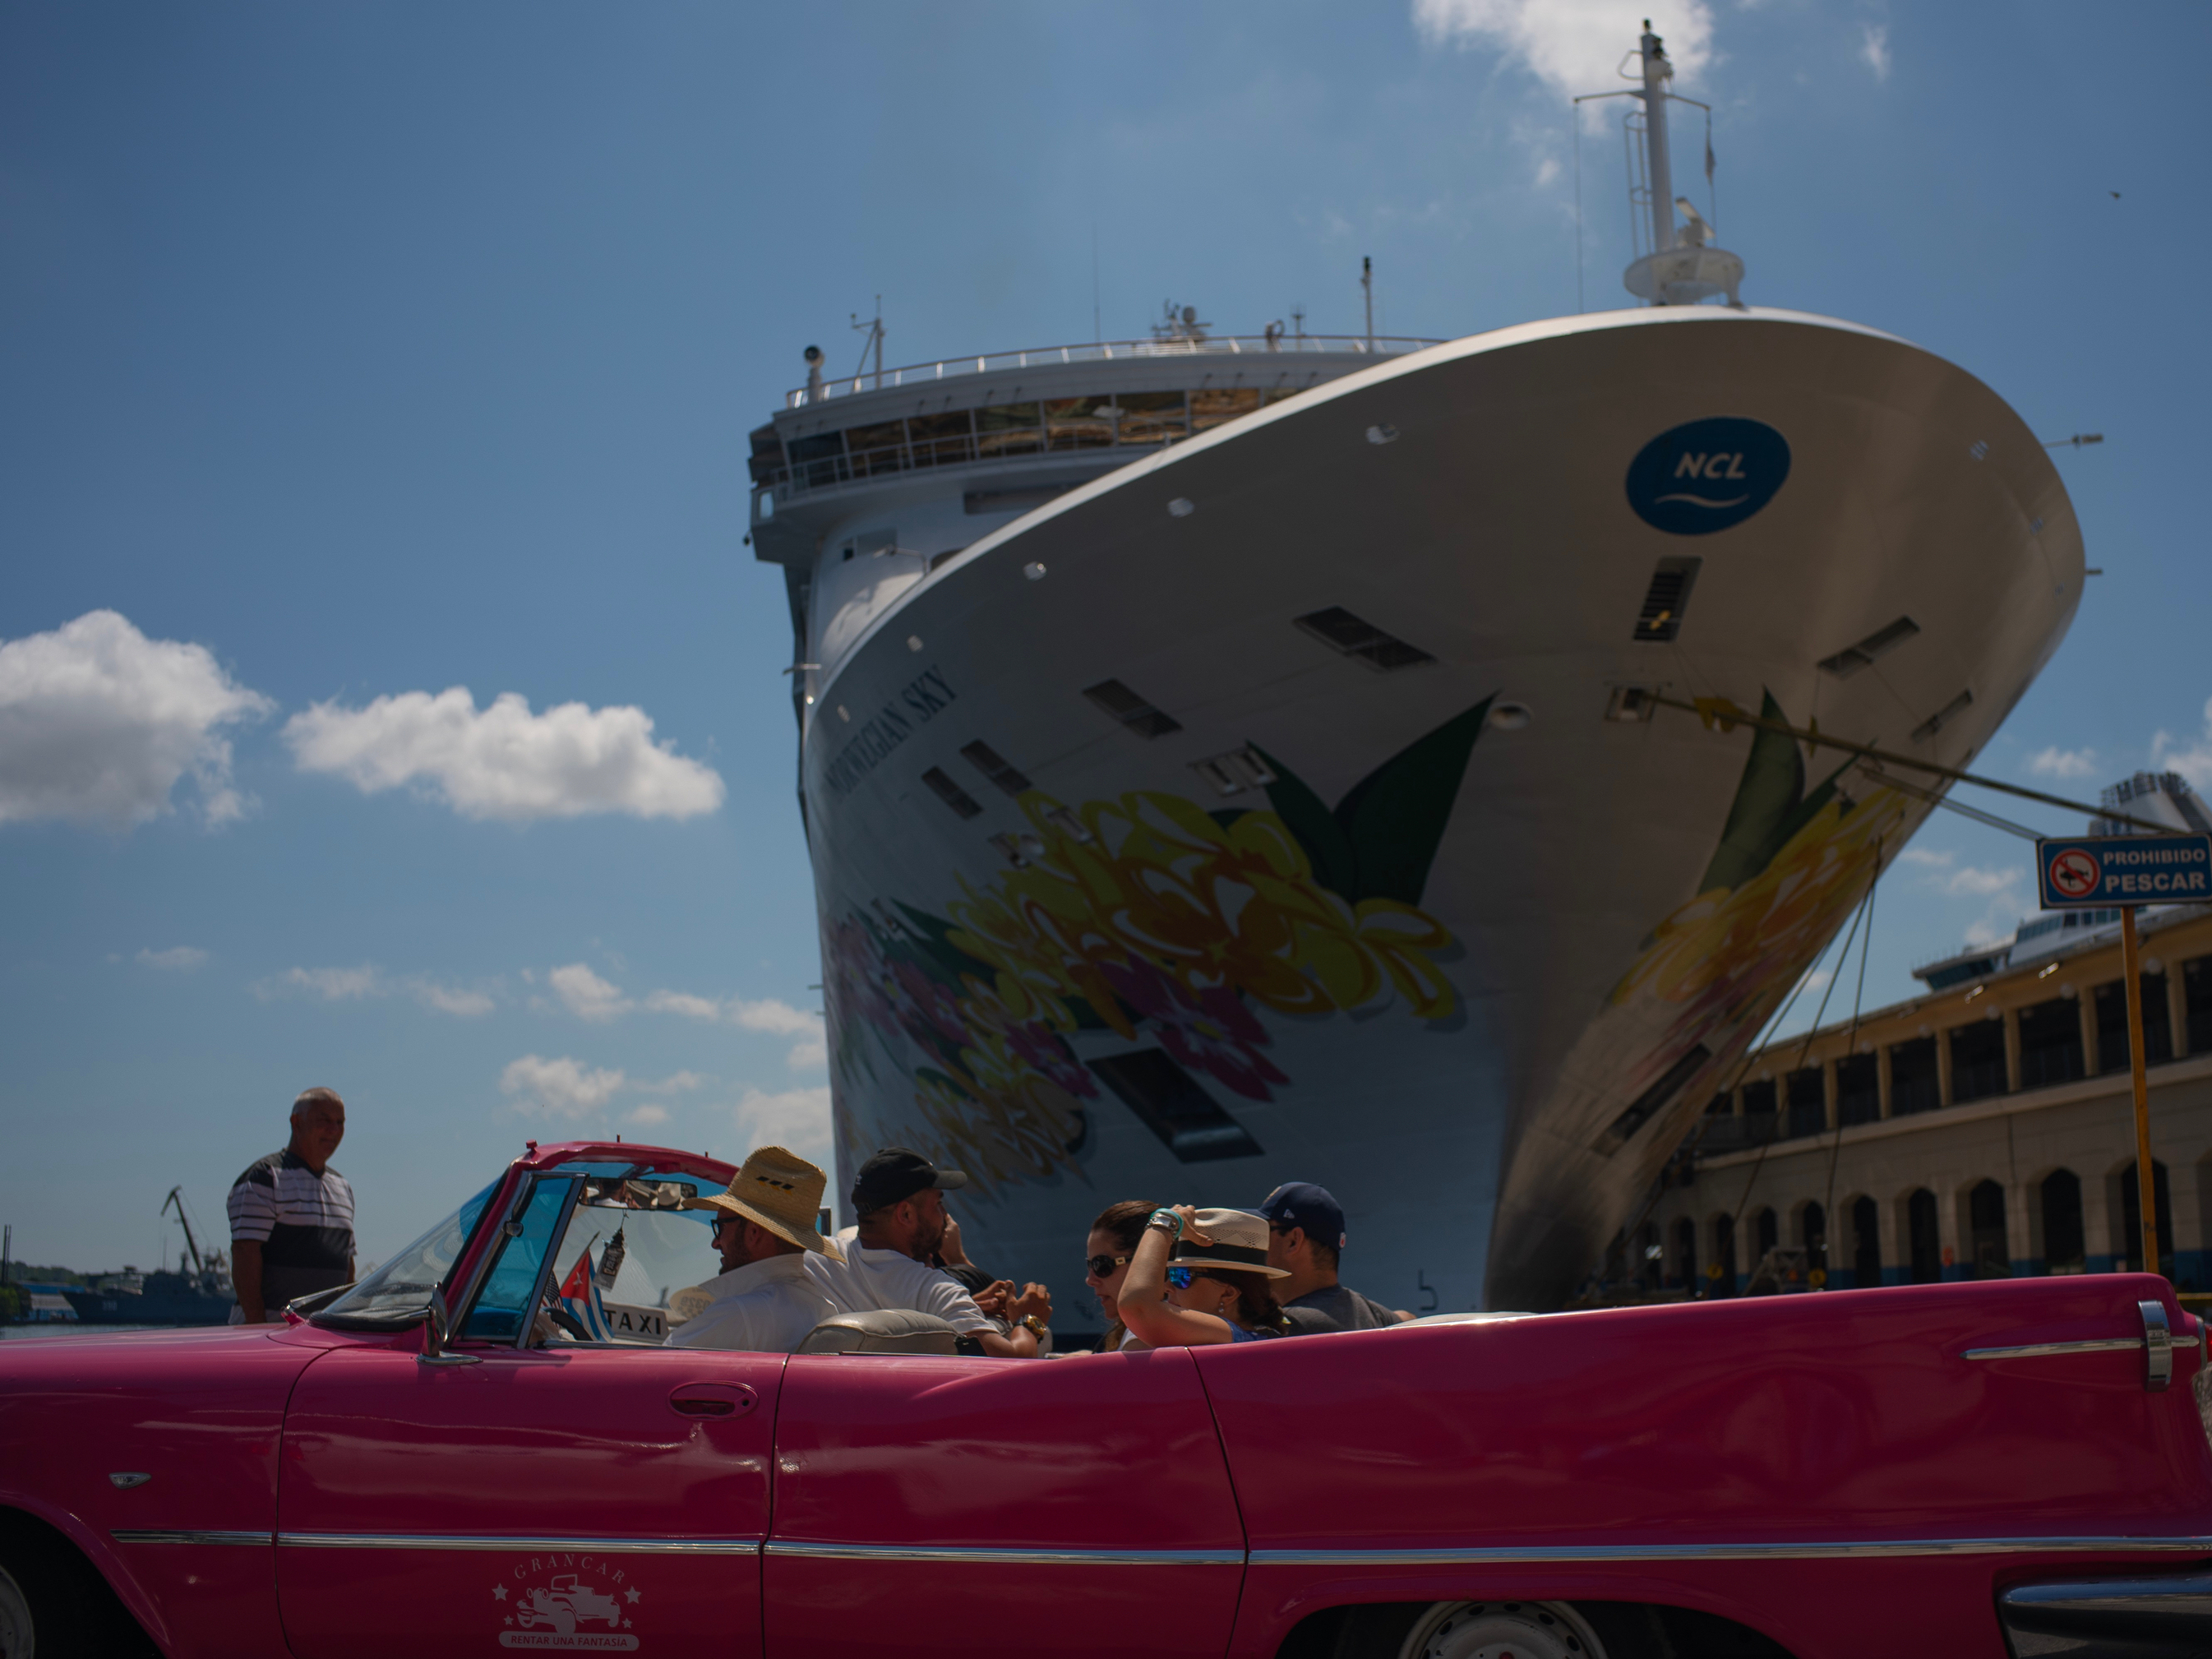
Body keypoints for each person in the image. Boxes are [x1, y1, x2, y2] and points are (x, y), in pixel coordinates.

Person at [808, 1147, 1051, 1358]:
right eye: (937, 1204)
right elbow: (1011, 1361)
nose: (945, 1215)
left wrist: (963, 1309)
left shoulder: (814, 1257)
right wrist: (1029, 1321)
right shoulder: (936, 1291)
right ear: (905, 1215)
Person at [666, 1146, 841, 1352]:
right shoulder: (822, 1308)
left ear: (753, 1233)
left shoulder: (739, 1313)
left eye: (720, 1227)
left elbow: (653, 1367)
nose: (716, 1243)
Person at [228, 1088, 355, 1324]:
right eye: (324, 1121)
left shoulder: (343, 1187)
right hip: (270, 1335)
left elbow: (347, 1264)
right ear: (296, 1123)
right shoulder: (264, 1178)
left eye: (340, 1122)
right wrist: (257, 1327)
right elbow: (245, 1254)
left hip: (322, 1335)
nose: (334, 1130)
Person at [1115, 1204, 1290, 1350]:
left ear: (1228, 1293)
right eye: (1171, 1274)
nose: (1167, 1286)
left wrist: (1163, 1222)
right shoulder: (1240, 1340)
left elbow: (1137, 1307)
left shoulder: (1229, 1336)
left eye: (1181, 1276)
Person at [1257, 1181, 1411, 1333]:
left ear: (1293, 1241)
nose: (1255, 1241)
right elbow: (1407, 1319)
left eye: (1264, 1230)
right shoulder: (1379, 1317)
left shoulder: (1281, 1328)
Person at [1082, 1199, 1156, 1352]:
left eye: (1101, 1265)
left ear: (1146, 1262)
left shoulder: (1142, 1340)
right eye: (1090, 1264)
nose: (1090, 1280)